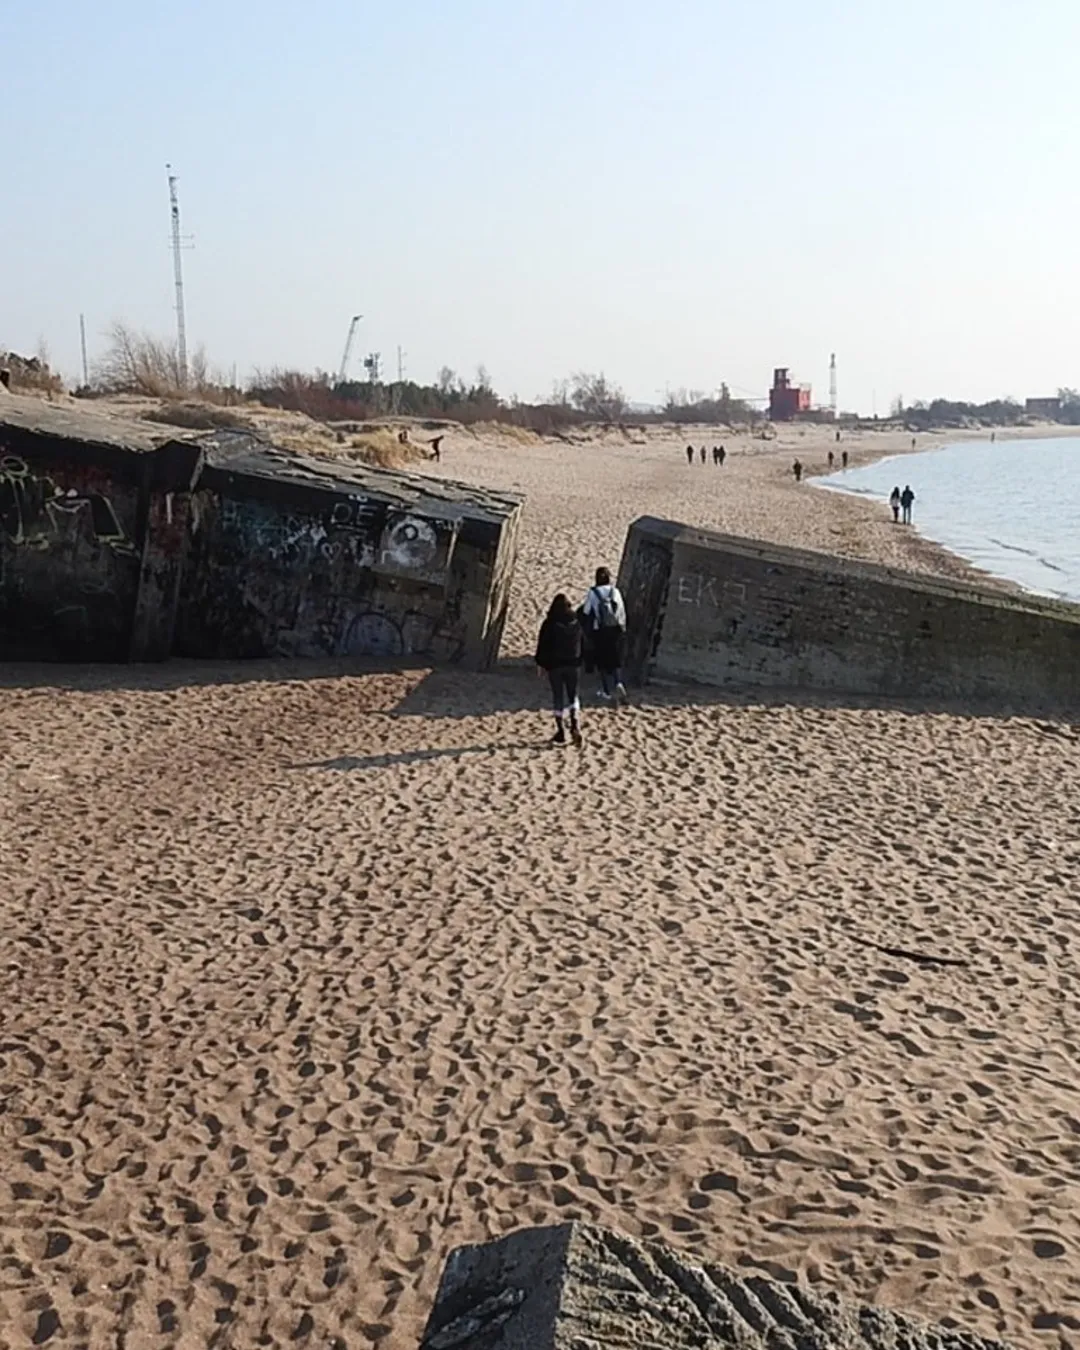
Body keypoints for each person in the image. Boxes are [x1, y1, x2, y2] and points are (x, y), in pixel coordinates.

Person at [535, 594, 583, 746]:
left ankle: (561, 730)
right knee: (573, 695)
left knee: (558, 697)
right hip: (573, 664)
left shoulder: (550, 623)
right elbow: (583, 642)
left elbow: (542, 645)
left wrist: (540, 663)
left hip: (555, 665)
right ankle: (575, 724)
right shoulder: (576, 622)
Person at [582, 567, 627, 706]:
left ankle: (607, 691)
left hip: (599, 629)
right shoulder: (615, 591)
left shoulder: (593, 592)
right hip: (615, 629)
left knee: (602, 661)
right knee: (614, 658)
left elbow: (586, 611)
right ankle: (618, 682)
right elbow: (621, 610)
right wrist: (622, 627)